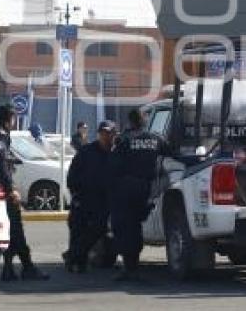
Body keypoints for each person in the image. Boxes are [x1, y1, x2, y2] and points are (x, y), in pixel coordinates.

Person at [0, 105, 49, 281]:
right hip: (0, 189)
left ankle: (10, 268)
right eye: (13, 120)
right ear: (9, 119)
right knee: (15, 227)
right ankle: (27, 267)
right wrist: (10, 189)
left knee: (9, 230)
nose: (14, 124)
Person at [109, 109, 170, 280]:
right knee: (135, 226)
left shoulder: (124, 140)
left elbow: (114, 166)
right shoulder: (155, 139)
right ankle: (133, 265)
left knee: (123, 227)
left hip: (126, 188)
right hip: (146, 188)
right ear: (144, 121)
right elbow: (170, 152)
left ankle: (130, 267)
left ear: (130, 121)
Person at [66, 120, 116, 273]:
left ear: (114, 135)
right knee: (77, 229)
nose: (106, 137)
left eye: (109, 134)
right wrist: (75, 193)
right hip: (83, 197)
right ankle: (76, 262)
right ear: (99, 134)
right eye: (103, 133)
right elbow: (72, 174)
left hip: (103, 201)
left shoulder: (116, 153)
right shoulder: (87, 151)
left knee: (98, 229)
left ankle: (73, 256)